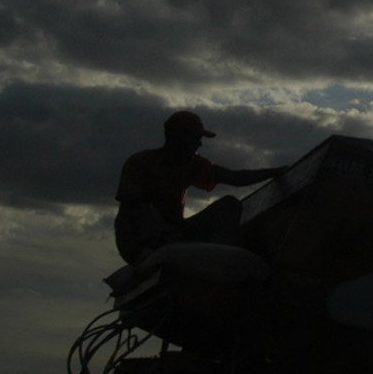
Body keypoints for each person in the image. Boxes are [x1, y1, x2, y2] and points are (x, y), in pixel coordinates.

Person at [113, 111, 284, 264]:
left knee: (229, 205)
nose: (199, 145)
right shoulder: (140, 162)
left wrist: (274, 172)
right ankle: (154, 247)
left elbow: (234, 177)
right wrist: (151, 239)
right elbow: (131, 210)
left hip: (175, 233)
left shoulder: (193, 164)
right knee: (141, 208)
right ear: (179, 137)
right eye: (196, 138)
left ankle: (219, 256)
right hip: (137, 241)